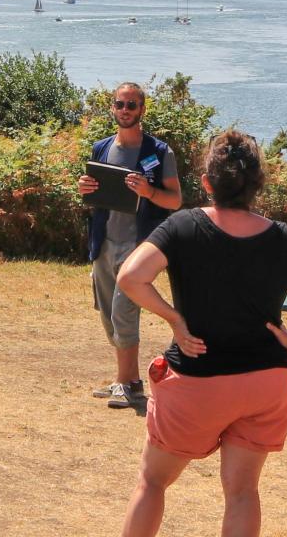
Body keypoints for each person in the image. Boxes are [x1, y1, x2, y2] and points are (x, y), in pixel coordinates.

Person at [116, 130, 287, 537]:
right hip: (266, 383)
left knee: (153, 482)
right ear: (257, 183)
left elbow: (131, 277)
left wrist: (174, 317)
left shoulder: (182, 226)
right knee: (242, 491)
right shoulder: (284, 237)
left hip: (197, 381)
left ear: (207, 183)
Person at [78, 82, 181, 408]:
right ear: (113, 108)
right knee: (108, 313)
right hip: (104, 241)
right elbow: (94, 196)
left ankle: (127, 385)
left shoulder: (158, 152)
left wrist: (148, 192)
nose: (125, 110)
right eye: (120, 104)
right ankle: (129, 380)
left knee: (124, 310)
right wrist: (85, 188)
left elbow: (175, 200)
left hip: (140, 245)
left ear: (142, 110)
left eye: (131, 105)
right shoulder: (101, 148)